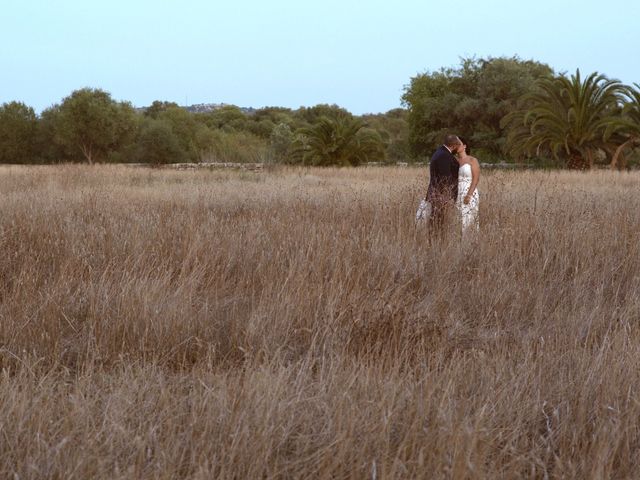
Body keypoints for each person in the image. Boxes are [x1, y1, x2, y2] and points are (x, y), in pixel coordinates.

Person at [426, 135, 462, 231]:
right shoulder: (444, 155)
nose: (459, 147)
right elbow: (445, 177)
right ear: (454, 145)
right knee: (438, 223)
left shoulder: (441, 152)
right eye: (458, 145)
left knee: (437, 221)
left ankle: (436, 241)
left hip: (438, 194)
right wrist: (448, 195)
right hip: (440, 194)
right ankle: (436, 242)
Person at [455, 137, 480, 233]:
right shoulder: (455, 161)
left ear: (464, 146)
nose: (457, 146)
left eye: (459, 144)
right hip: (457, 190)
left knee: (469, 217)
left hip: (470, 190)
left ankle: (470, 240)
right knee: (459, 218)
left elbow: (476, 179)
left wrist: (469, 195)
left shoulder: (472, 160)